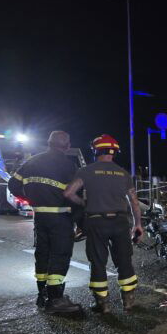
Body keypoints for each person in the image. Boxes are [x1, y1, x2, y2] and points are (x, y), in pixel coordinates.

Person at [63, 134, 143, 313]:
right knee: (124, 260)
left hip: (96, 222)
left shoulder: (86, 171)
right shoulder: (123, 173)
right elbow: (134, 202)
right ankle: (129, 301)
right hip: (121, 222)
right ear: (114, 152)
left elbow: (68, 193)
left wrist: (85, 203)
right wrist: (138, 224)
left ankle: (103, 304)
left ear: (96, 151)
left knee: (98, 262)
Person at [8, 130, 82, 314]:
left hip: (40, 216)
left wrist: (32, 197)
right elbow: (77, 196)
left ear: (49, 143)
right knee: (59, 255)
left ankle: (42, 295)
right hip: (61, 217)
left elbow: (13, 185)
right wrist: (81, 220)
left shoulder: (32, 161)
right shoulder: (69, 166)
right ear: (66, 146)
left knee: (42, 254)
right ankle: (56, 299)